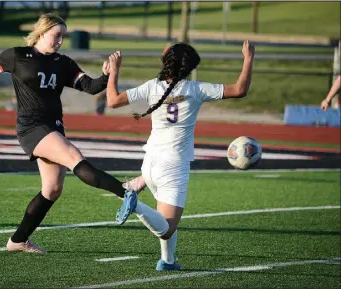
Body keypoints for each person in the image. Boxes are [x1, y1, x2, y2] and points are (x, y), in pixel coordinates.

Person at [0, 13, 137, 254]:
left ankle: (17, 241)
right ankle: (124, 191)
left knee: (52, 189)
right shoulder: (18, 56)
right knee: (73, 156)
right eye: (56, 35)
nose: (60, 41)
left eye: (63, 37)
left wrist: (107, 75)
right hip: (31, 127)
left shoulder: (64, 63)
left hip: (54, 126)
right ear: (41, 33)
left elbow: (90, 87)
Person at [107, 40, 255, 270]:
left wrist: (114, 71)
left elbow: (113, 101)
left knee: (164, 216)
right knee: (168, 227)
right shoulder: (196, 90)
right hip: (173, 166)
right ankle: (133, 203)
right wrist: (248, 58)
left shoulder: (151, 86)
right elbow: (239, 89)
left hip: (150, 164)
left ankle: (168, 261)